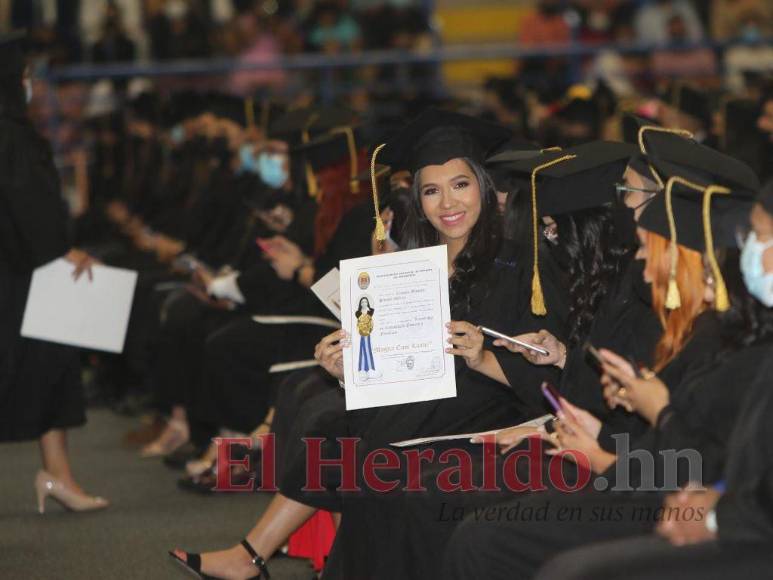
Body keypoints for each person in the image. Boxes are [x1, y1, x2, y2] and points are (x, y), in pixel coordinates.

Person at [168, 108, 564, 579]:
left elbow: (546, 375)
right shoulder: (408, 268)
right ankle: (254, 557)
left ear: (482, 186)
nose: (447, 203)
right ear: (417, 200)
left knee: (357, 444)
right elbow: (389, 364)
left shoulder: (525, 267)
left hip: (490, 407)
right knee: (341, 428)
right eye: (431, 191)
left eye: (460, 185)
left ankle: (255, 557)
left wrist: (482, 357)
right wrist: (348, 367)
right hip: (422, 403)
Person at [442, 131, 762, 580]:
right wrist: (584, 402)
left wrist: (626, 439)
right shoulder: (703, 326)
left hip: (677, 502)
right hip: (641, 474)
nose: (643, 268)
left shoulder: (727, 343)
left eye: (650, 251)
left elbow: (708, 464)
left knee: (494, 535)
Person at [531, 179, 773, 580]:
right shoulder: (712, 331)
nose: (639, 262)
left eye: (761, 236)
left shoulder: (732, 343)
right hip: (685, 489)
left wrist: (639, 429)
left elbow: (712, 456)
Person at [0, 31, 108, 513]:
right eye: (24, 77)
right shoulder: (14, 135)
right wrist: (63, 251)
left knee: (53, 367)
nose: (31, 86)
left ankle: (57, 475)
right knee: (38, 367)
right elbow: (29, 205)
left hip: (24, 268)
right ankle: (58, 474)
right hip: (22, 274)